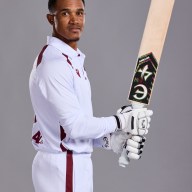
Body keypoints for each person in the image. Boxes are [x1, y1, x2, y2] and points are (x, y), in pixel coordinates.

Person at [29, 0, 153, 191]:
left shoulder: (70, 60)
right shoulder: (54, 65)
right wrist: (122, 121)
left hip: (72, 165)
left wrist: (110, 140)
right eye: (65, 13)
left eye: (80, 13)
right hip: (63, 168)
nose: (74, 20)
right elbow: (76, 128)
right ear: (50, 18)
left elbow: (71, 126)